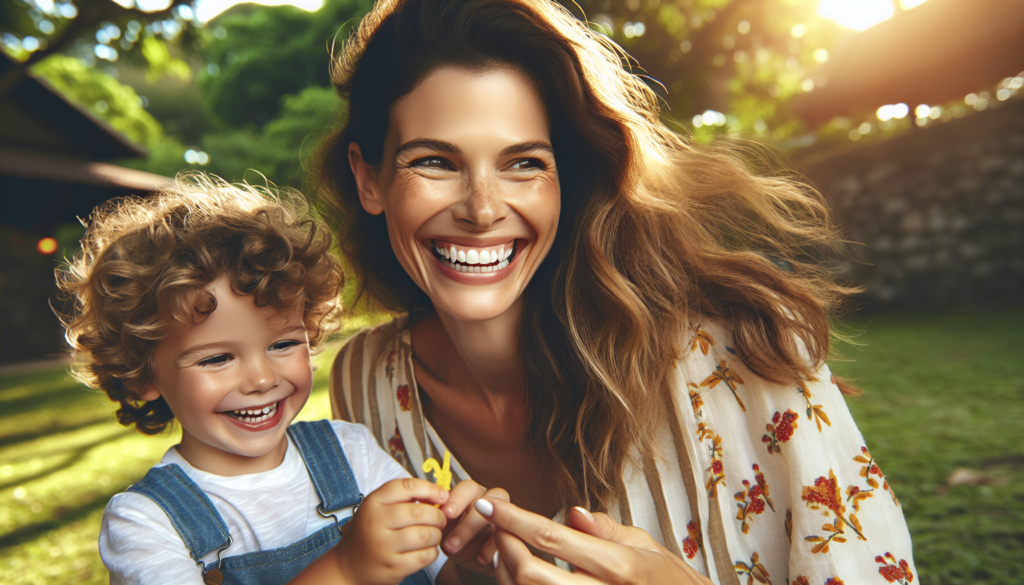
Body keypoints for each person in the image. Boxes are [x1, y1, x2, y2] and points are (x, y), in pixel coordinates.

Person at [314, 1, 917, 584]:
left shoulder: (746, 352)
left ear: (565, 179)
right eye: (435, 162)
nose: (483, 209)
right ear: (370, 179)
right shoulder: (366, 384)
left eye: (523, 163)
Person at [56, 174, 487, 585]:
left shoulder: (354, 454)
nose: (262, 379)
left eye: (282, 345)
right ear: (142, 373)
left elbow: (443, 573)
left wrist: (471, 555)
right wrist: (345, 571)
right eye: (218, 358)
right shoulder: (146, 522)